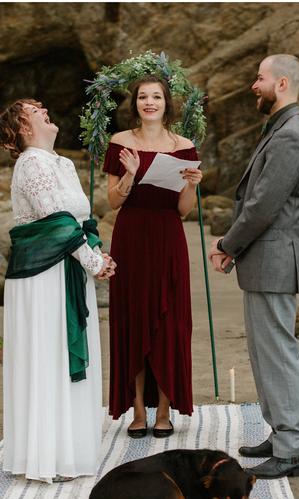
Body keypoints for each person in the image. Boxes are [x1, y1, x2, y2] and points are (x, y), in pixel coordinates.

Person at [0, 98, 116, 483]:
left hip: (70, 268)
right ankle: (46, 454)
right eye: (34, 110)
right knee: (47, 356)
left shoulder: (62, 163)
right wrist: (94, 263)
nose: (44, 109)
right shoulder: (30, 163)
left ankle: (72, 449)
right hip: (43, 276)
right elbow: (55, 221)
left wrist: (98, 252)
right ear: (23, 128)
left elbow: (80, 221)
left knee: (66, 357)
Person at [209, 54, 299, 479]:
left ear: (283, 83)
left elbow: (263, 206)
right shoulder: (280, 128)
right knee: (264, 352)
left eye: (260, 78)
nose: (254, 85)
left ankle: (293, 450)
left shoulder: (291, 134)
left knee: (278, 353)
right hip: (265, 259)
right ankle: (280, 434)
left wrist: (226, 243)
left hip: (273, 258)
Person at [104, 75, 203, 438]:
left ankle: (164, 410)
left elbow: (183, 210)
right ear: (135, 104)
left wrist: (191, 185)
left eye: (156, 97)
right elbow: (112, 201)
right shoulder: (120, 143)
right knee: (132, 318)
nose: (149, 102)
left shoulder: (184, 145)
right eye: (143, 97)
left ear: (166, 103)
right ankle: (137, 410)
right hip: (130, 237)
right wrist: (129, 175)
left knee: (170, 323)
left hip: (167, 237)